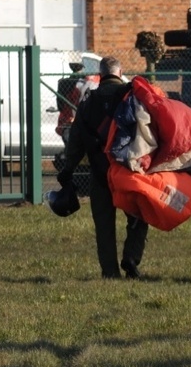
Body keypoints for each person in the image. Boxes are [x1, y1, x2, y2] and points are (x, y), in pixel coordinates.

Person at [57, 56, 149, 279]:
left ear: (100, 74)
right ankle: (131, 257)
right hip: (128, 171)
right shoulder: (131, 96)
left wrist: (68, 168)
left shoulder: (89, 102)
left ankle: (110, 272)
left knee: (104, 225)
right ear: (120, 72)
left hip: (100, 173)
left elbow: (77, 140)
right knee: (138, 216)